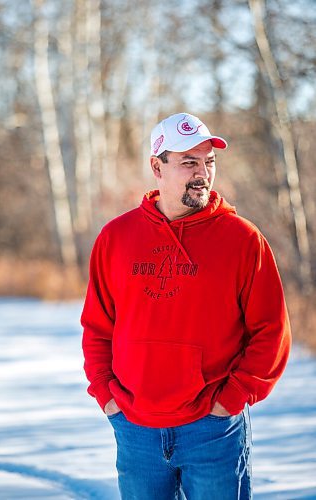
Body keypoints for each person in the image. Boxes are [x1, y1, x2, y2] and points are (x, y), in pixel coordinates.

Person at [81, 112, 291, 499]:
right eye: (189, 162)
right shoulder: (116, 238)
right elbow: (97, 327)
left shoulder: (242, 239)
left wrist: (231, 400)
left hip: (211, 430)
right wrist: (107, 395)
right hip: (135, 428)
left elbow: (271, 331)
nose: (203, 174)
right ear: (156, 167)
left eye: (209, 161)